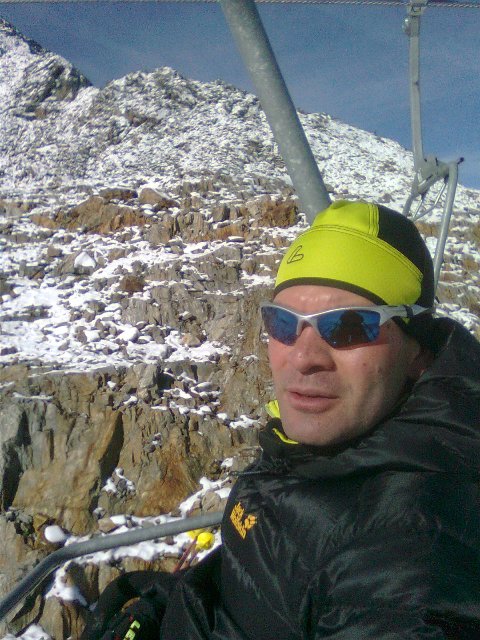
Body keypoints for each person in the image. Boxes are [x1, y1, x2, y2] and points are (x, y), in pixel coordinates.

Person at [85, 200, 480, 639]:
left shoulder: (412, 553)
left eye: (349, 326)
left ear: (418, 351)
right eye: (283, 323)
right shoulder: (312, 453)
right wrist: (168, 602)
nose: (304, 357)